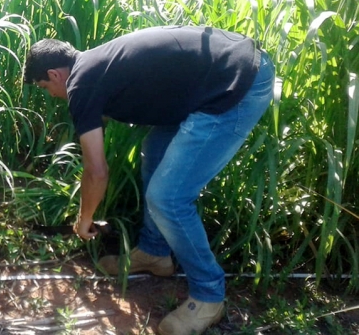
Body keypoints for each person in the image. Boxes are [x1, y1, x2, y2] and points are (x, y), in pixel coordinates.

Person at [23, 25, 275, 335]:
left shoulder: (80, 84)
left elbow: (97, 171)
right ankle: (155, 253)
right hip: (214, 79)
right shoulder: (94, 65)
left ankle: (209, 295)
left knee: (168, 198)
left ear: (55, 74)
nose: (51, 95)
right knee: (154, 151)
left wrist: (84, 218)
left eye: (45, 87)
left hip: (237, 83)